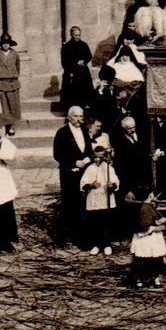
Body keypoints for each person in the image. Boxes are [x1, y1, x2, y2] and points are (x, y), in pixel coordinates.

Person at [52, 105, 92, 247]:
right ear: (69, 117)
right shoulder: (62, 133)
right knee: (70, 203)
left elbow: (88, 149)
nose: (78, 119)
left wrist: (87, 159)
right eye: (75, 116)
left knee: (84, 203)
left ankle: (84, 235)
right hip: (69, 173)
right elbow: (57, 154)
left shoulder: (85, 131)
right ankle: (68, 236)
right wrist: (73, 162)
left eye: (81, 116)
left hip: (84, 173)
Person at [78, 143, 119, 256]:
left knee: (105, 223)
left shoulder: (108, 168)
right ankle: (96, 245)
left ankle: (107, 245)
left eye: (100, 157)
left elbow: (116, 181)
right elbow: (83, 183)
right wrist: (90, 185)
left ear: (105, 157)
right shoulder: (89, 169)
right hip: (94, 200)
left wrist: (112, 185)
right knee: (94, 223)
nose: (97, 160)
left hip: (106, 199)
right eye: (95, 157)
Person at [128, 199, 166, 288]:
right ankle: (140, 279)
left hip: (154, 238)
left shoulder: (150, 207)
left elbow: (156, 219)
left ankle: (154, 278)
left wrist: (160, 222)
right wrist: (154, 228)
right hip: (145, 238)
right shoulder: (143, 208)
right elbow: (141, 226)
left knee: (155, 258)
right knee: (142, 258)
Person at [60, 26, 95, 114]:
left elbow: (89, 56)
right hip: (71, 71)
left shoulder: (84, 44)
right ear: (71, 35)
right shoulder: (66, 46)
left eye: (79, 35)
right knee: (72, 92)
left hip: (83, 71)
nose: (78, 37)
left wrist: (84, 61)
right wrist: (75, 62)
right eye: (75, 35)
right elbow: (64, 61)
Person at [0, 33, 22, 131]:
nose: (5, 45)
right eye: (4, 43)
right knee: (4, 106)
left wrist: (14, 76)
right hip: (2, 82)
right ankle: (6, 125)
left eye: (7, 43)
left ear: (10, 44)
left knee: (13, 105)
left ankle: (13, 126)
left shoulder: (15, 54)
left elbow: (17, 67)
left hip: (13, 82)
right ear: (1, 44)